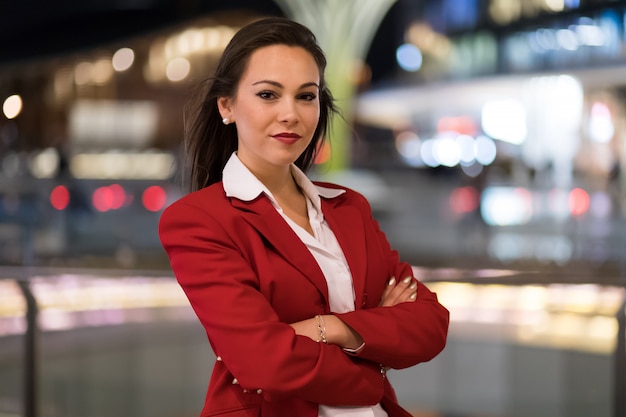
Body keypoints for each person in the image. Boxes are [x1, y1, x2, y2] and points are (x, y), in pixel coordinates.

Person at [159, 16, 449, 417]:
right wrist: (372, 365)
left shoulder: (348, 208)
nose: (290, 114)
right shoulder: (199, 221)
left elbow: (429, 322)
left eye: (306, 96)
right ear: (226, 106)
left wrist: (330, 328)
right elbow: (263, 360)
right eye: (268, 95)